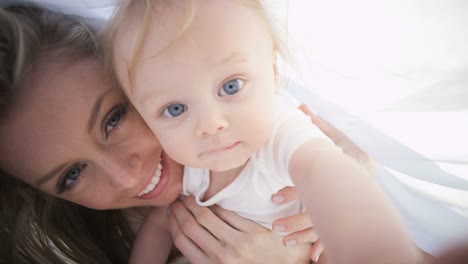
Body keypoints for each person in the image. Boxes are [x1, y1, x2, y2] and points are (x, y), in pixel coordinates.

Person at [0, 3, 367, 263]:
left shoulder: (266, 135)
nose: (127, 176)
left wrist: (348, 180)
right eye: (71, 175)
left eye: (113, 119)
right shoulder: (98, 238)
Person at [106, 0, 425, 263]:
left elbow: (325, 171)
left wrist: (375, 250)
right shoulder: (189, 164)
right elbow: (161, 223)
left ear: (272, 74)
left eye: (231, 87)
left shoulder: (280, 134)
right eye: (175, 109)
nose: (210, 124)